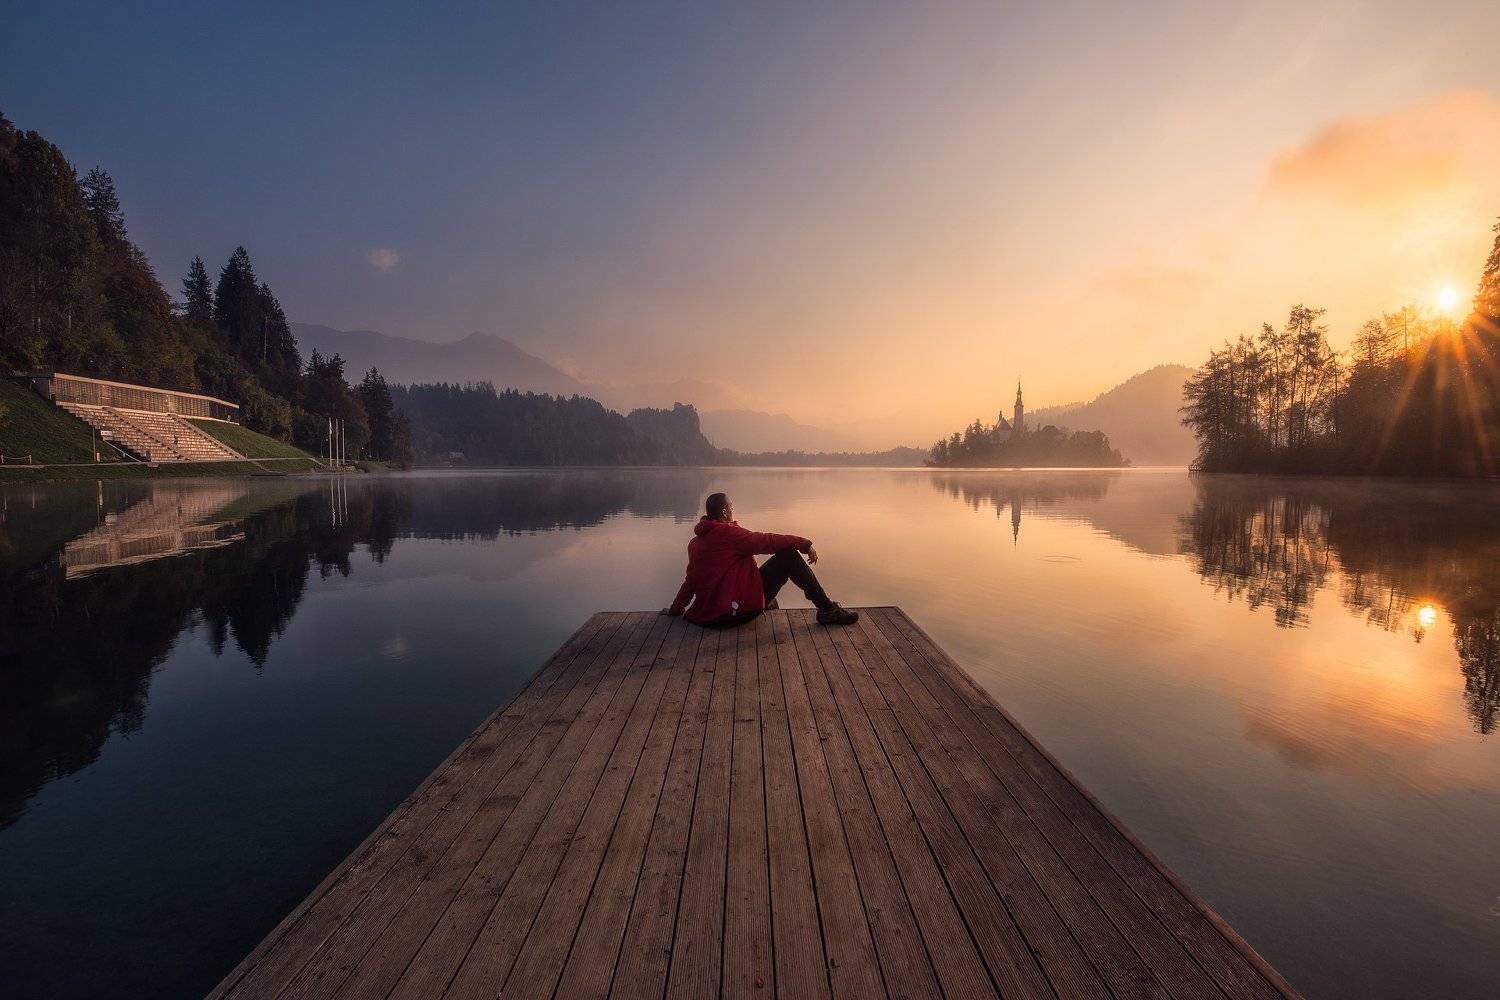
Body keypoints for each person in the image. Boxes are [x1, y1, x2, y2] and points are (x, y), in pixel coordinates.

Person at [661, 492, 858, 628]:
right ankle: (827, 610)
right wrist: (804, 544)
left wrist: (675, 610)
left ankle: (769, 602)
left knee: (767, 590)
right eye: (731, 507)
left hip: (709, 617)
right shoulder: (729, 534)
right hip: (734, 613)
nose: (732, 511)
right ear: (724, 512)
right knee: (788, 555)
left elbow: (691, 581)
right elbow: (767, 541)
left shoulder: (695, 543)